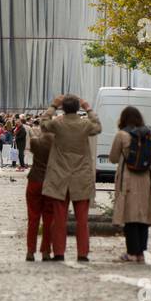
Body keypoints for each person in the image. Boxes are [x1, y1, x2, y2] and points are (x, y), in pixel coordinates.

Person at [39, 95, 101, 262]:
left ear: (63, 109)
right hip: (81, 176)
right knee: (82, 220)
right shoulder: (85, 124)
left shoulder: (58, 124)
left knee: (59, 219)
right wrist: (88, 108)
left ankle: (59, 252)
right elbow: (98, 127)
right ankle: (82, 254)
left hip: (60, 176)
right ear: (78, 108)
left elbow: (43, 124)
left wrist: (53, 106)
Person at [109, 106, 151, 263]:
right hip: (145, 179)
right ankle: (141, 253)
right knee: (142, 216)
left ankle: (131, 253)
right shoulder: (148, 134)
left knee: (130, 216)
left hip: (128, 179)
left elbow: (113, 158)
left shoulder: (122, 135)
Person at [25, 126, 55, 261]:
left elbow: (32, 141)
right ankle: (46, 251)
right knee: (49, 219)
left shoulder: (36, 142)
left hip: (35, 180)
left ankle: (30, 251)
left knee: (33, 218)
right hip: (50, 182)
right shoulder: (58, 143)